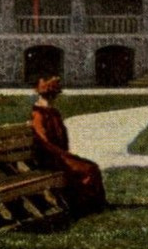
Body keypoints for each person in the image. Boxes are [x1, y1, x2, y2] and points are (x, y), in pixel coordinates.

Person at [30, 76, 106, 215]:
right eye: (51, 96)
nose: (52, 99)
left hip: (59, 154)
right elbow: (43, 141)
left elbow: (62, 136)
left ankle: (90, 203)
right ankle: (85, 205)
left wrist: (64, 153)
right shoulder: (39, 114)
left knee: (90, 166)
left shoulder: (53, 112)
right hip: (50, 157)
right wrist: (62, 154)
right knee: (89, 169)